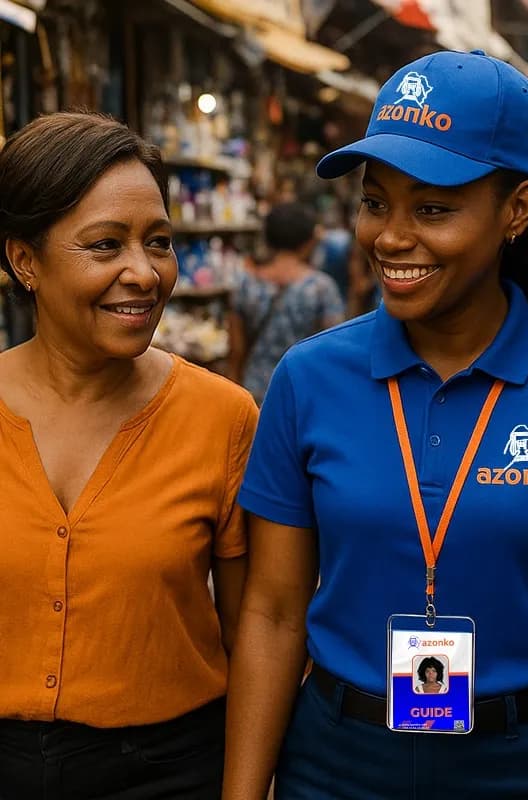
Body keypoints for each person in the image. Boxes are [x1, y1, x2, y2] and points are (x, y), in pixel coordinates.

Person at [223, 49, 528, 800]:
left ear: (517, 210)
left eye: (432, 209)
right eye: (375, 203)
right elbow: (271, 613)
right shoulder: (308, 378)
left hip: (526, 766)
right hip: (337, 764)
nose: (391, 237)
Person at [0, 112, 258, 798]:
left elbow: (256, 632)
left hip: (172, 772)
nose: (143, 273)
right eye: (106, 245)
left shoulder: (222, 418)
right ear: (25, 261)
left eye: (159, 243)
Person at [229, 201, 344, 404]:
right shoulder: (321, 288)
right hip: (303, 392)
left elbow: (237, 350)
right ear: (308, 242)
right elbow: (334, 351)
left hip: (254, 393)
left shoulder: (245, 284)